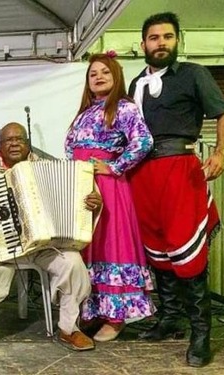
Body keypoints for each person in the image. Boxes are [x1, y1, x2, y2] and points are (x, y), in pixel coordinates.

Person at [127, 12, 224, 367]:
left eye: (167, 37)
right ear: (143, 45)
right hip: (142, 174)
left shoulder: (194, 74)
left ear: (177, 41)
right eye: (154, 38)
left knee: (186, 247)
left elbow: (223, 112)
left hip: (179, 168)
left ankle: (202, 332)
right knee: (157, 247)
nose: (161, 43)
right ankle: (170, 317)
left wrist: (221, 151)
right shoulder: (135, 84)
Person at [0, 122, 103, 355]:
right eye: (9, 140)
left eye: (20, 139)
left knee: (73, 262)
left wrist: (93, 203)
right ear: (0, 146)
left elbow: (78, 199)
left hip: (45, 244)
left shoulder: (48, 167)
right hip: (0, 241)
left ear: (27, 143)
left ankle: (69, 327)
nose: (14, 143)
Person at [65, 53, 156, 342]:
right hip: (81, 186)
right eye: (93, 73)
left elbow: (144, 141)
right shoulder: (83, 112)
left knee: (110, 248)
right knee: (87, 249)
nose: (99, 77)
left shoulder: (124, 108)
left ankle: (115, 318)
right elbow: (70, 149)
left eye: (105, 72)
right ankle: (93, 313)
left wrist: (114, 166)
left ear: (116, 76)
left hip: (109, 187)